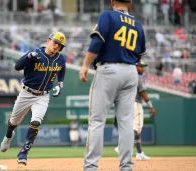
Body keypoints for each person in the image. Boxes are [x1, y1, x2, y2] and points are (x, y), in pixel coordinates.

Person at [79, 0, 147, 170]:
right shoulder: (137, 23)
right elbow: (140, 53)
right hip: (131, 72)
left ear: (112, 1)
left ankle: (91, 167)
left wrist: (85, 65)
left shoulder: (107, 15)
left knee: (96, 121)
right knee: (126, 122)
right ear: (130, 3)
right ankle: (126, 167)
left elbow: (97, 42)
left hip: (109, 69)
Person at [0, 31, 66, 165]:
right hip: (26, 93)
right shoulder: (35, 53)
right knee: (13, 122)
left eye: (59, 45)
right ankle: (8, 136)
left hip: (43, 96)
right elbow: (17, 66)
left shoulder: (61, 58)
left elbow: (62, 70)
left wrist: (60, 83)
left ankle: (23, 153)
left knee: (36, 122)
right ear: (48, 41)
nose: (56, 46)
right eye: (55, 42)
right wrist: (28, 57)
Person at [114, 60, 156, 160]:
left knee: (133, 128)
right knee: (137, 127)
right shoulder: (138, 76)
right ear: (135, 67)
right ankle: (122, 147)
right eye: (141, 66)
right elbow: (143, 92)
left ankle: (139, 152)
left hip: (125, 103)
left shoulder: (126, 76)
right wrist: (150, 106)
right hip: (135, 103)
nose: (143, 68)